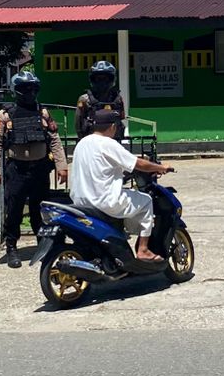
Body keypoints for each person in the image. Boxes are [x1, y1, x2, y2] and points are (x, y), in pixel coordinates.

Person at [69, 107, 172, 262]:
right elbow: (138, 164)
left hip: (81, 201)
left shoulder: (82, 143)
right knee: (146, 201)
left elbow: (101, 168)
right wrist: (160, 168)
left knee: (130, 199)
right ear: (112, 127)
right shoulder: (108, 143)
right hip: (105, 201)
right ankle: (143, 250)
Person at [0, 71, 68, 268]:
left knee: (39, 210)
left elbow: (54, 140)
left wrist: (62, 166)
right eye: (25, 89)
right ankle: (12, 248)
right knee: (14, 210)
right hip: (16, 169)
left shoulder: (43, 113)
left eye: (33, 89)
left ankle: (43, 244)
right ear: (17, 91)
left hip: (40, 168)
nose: (30, 93)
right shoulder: (4, 115)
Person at [75, 60, 127, 143]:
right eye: (98, 79)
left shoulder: (117, 99)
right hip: (91, 142)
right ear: (93, 79)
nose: (102, 82)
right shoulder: (85, 99)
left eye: (106, 79)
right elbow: (79, 125)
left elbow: (121, 118)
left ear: (112, 79)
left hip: (114, 141)